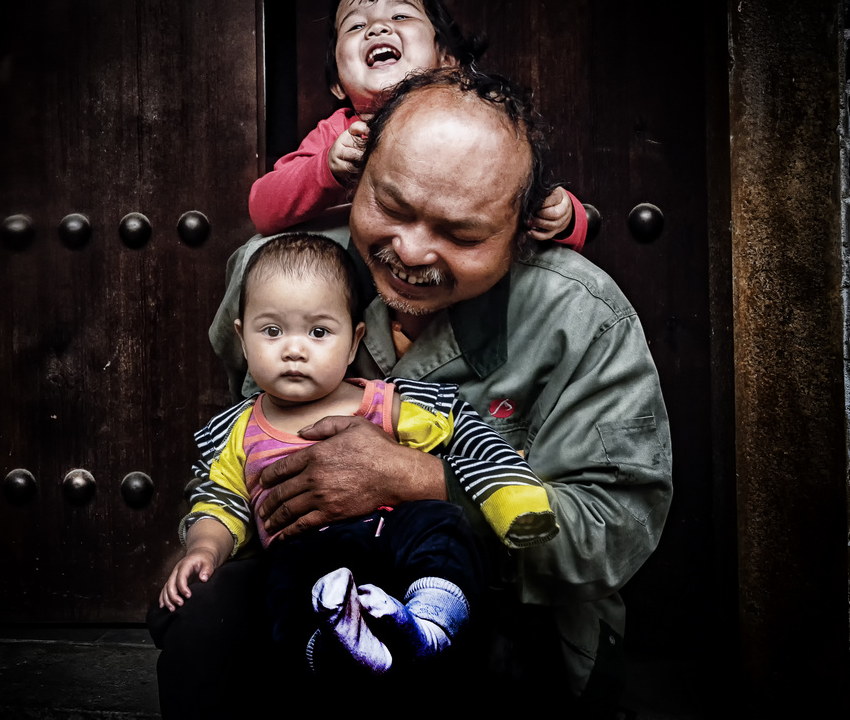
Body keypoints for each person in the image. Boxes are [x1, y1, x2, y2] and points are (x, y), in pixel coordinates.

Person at [151, 65, 672, 719]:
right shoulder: (278, 272)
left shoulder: (580, 314)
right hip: (319, 585)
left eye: (461, 234)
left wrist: (423, 482)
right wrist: (210, 539)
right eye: (391, 209)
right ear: (359, 173)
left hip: (504, 610)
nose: (413, 251)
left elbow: (612, 531)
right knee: (202, 623)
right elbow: (243, 452)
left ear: (524, 224)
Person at [158, 232, 557, 680]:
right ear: (242, 339)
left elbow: (465, 435)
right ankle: (334, 649)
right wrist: (204, 548)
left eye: (319, 332)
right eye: (272, 331)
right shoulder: (238, 432)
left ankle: (427, 624)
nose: (294, 349)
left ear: (353, 342)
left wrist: (510, 490)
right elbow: (221, 502)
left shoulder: (383, 404)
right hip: (309, 557)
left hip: (394, 542)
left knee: (441, 525)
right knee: (285, 581)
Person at [248, 0, 588, 252]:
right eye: (355, 25)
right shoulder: (340, 133)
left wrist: (564, 215)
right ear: (338, 84)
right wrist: (327, 169)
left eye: (399, 15)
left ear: (447, 60)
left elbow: (524, 191)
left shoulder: (472, 124)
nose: (377, 28)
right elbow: (262, 208)